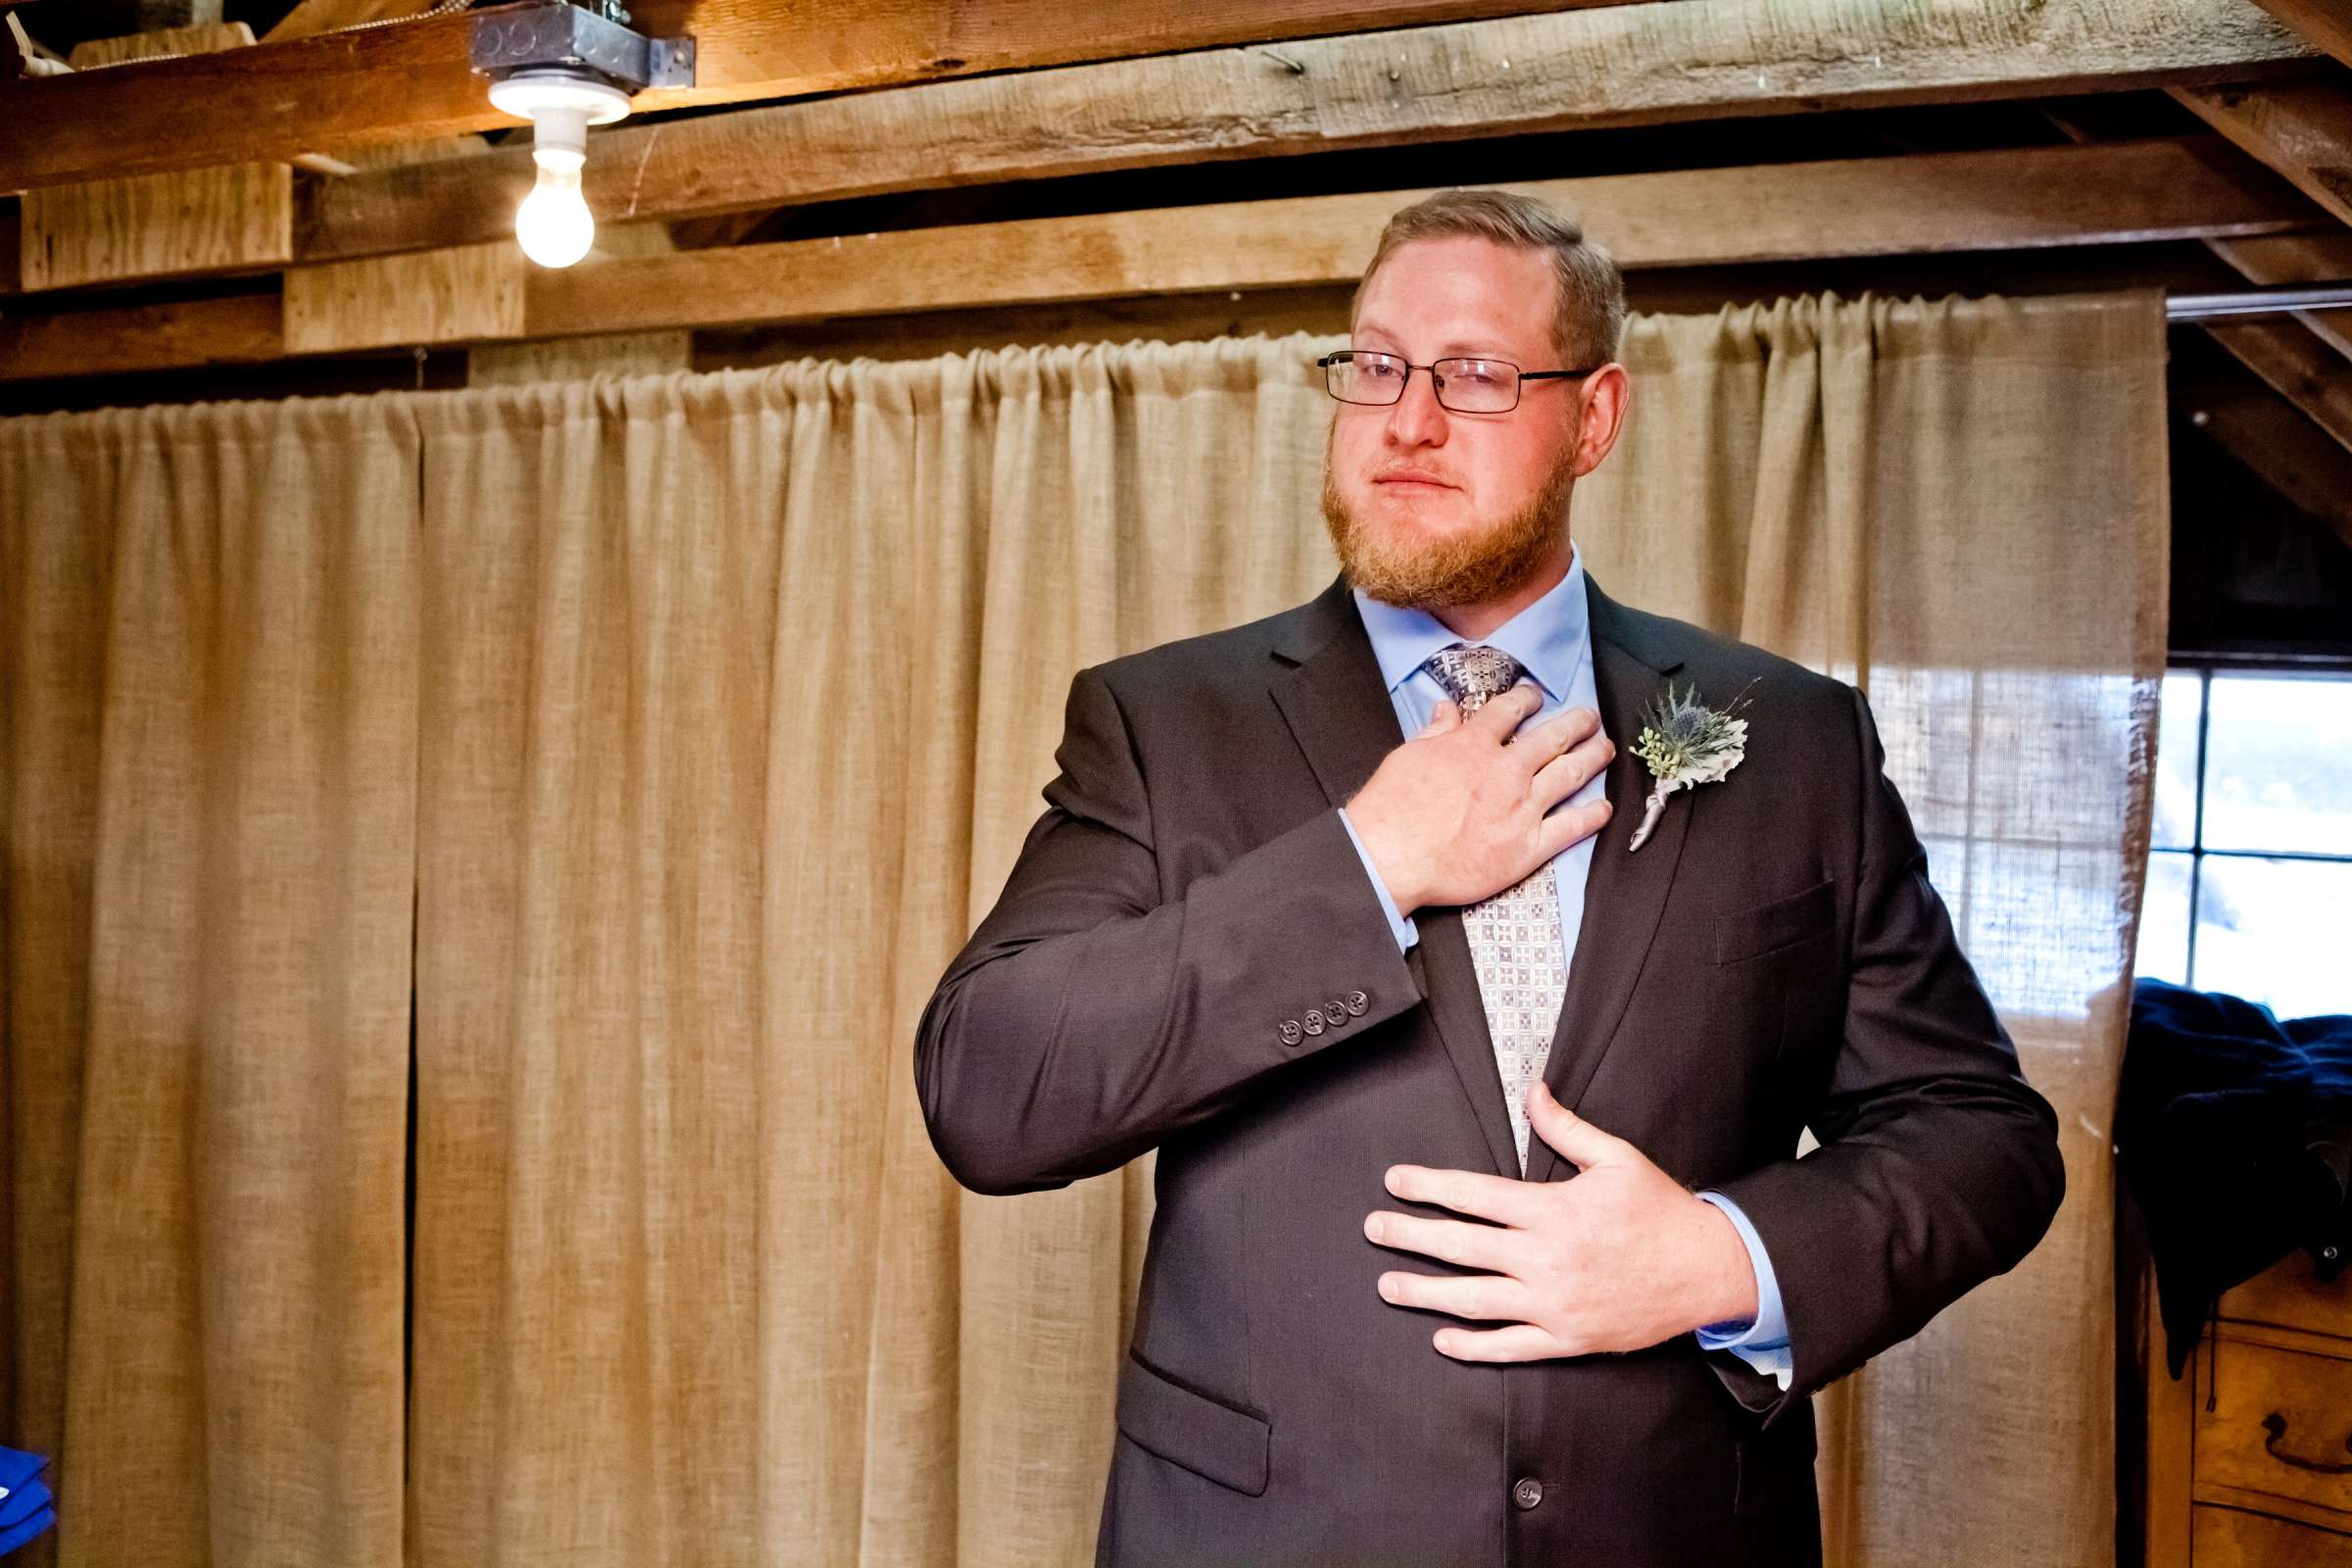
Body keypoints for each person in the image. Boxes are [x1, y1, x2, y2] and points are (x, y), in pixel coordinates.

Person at [913, 188, 2063, 1567]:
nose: (1406, 420)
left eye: (1475, 375)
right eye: (1378, 366)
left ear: (1596, 418)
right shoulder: (1166, 724)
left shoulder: (1794, 736)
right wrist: (1368, 863)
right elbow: (992, 1089)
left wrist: (1718, 1260)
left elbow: (1982, 1135)